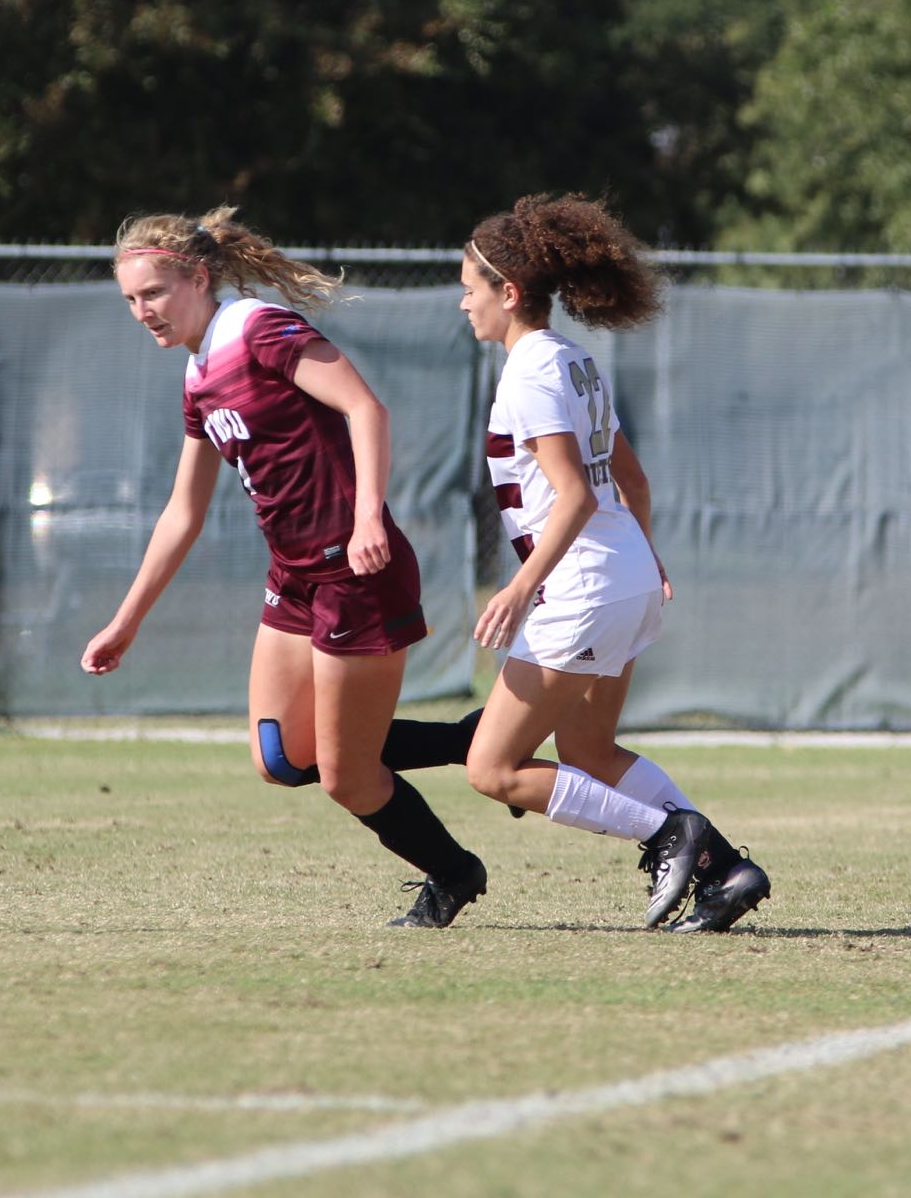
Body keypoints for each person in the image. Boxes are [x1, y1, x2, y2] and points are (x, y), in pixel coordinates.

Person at [80, 207, 487, 929]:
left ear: (199, 277)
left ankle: (453, 872)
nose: (142, 312)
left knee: (346, 776)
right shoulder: (198, 372)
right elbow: (183, 511)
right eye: (131, 301)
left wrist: (367, 518)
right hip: (294, 577)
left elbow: (366, 409)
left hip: (356, 573)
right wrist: (125, 622)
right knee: (280, 756)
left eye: (154, 294)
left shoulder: (257, 330)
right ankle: (468, 740)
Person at [457, 194, 770, 932]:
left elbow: (572, 498)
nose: (462, 302)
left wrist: (519, 586)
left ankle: (671, 836)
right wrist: (647, 560)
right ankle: (728, 871)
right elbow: (632, 482)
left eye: (469, 287)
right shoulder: (574, 360)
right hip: (622, 577)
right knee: (590, 750)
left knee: (491, 767)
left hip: (584, 586)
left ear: (507, 293)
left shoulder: (529, 372)